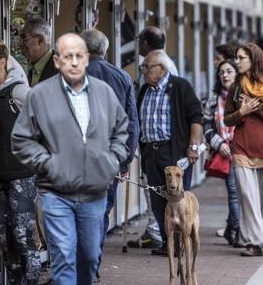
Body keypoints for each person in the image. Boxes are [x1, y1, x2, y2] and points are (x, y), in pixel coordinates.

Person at [12, 33, 129, 285]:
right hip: (56, 192)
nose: (74, 63)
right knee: (63, 257)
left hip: (93, 191)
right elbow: (21, 139)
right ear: (56, 61)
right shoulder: (40, 95)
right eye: (67, 57)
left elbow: (122, 130)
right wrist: (47, 163)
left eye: (79, 57)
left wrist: (113, 161)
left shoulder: (103, 93)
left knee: (88, 255)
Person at [0, 40, 40, 285]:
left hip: (22, 176)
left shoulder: (18, 92)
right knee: (3, 237)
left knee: (22, 236)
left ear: (2, 63)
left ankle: (30, 280)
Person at [79, 29, 140, 273]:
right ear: (104, 50)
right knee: (99, 214)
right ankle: (91, 269)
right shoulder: (122, 77)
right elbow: (132, 124)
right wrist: (125, 161)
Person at [136, 49, 202, 257]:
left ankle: (182, 242)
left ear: (162, 69)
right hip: (151, 152)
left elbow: (196, 116)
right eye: (143, 67)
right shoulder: (144, 90)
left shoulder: (180, 86)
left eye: (147, 67)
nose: (143, 71)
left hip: (173, 152)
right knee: (157, 200)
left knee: (177, 199)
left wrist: (192, 146)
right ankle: (168, 243)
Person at [224, 43, 263, 257]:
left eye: (241, 58)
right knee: (247, 196)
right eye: (236, 57)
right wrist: (242, 111)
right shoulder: (236, 87)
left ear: (254, 59)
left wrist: (258, 107)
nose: (237, 61)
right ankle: (255, 241)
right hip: (242, 149)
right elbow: (227, 119)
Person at [128, 26, 178, 251]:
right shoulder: (150, 77)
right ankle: (158, 233)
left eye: (147, 68)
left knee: (167, 196)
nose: (144, 70)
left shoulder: (164, 69)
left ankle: (167, 238)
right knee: (155, 196)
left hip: (166, 147)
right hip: (150, 147)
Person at [203, 59, 242, 247]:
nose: (225, 75)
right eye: (221, 73)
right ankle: (237, 231)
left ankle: (232, 228)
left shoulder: (244, 95)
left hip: (244, 149)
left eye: (229, 71)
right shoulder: (214, 98)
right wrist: (218, 144)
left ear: (236, 73)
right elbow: (207, 125)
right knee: (234, 193)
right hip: (226, 151)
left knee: (246, 193)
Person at [21, 18, 58, 86]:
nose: (20, 44)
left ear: (40, 40)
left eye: (24, 39)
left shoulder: (60, 69)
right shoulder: (33, 67)